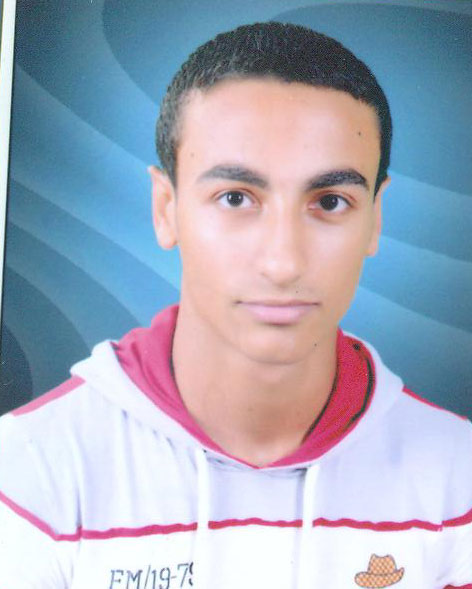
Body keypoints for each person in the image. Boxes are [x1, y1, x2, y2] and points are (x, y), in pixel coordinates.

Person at [0, 21, 470, 589]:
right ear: (166, 209)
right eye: (235, 197)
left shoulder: (458, 480)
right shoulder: (29, 474)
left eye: (329, 201)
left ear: (375, 217)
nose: (283, 262)